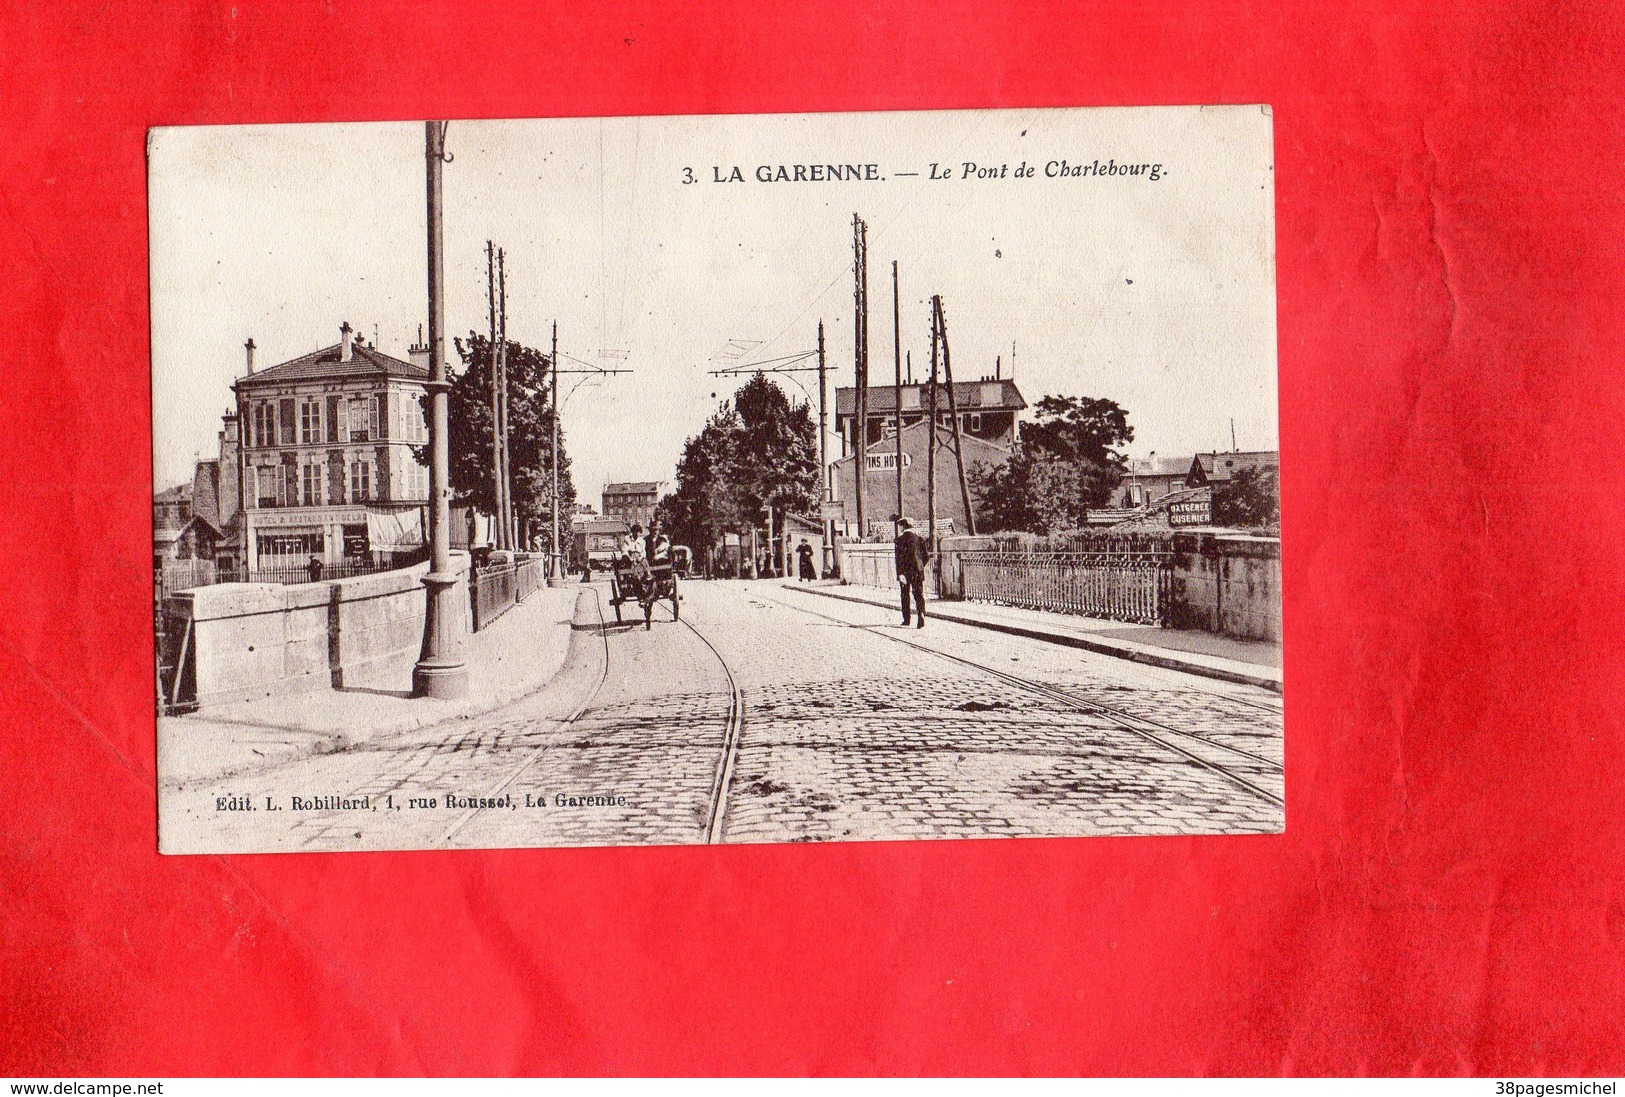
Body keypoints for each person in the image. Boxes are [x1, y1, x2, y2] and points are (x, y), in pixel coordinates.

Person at [893, 517, 930, 628]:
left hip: (905, 572)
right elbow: (926, 556)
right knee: (919, 593)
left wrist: (900, 573)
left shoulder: (900, 540)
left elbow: (898, 559)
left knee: (905, 594)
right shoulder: (919, 539)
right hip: (918, 571)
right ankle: (921, 614)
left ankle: (907, 619)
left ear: (903, 527)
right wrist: (920, 566)